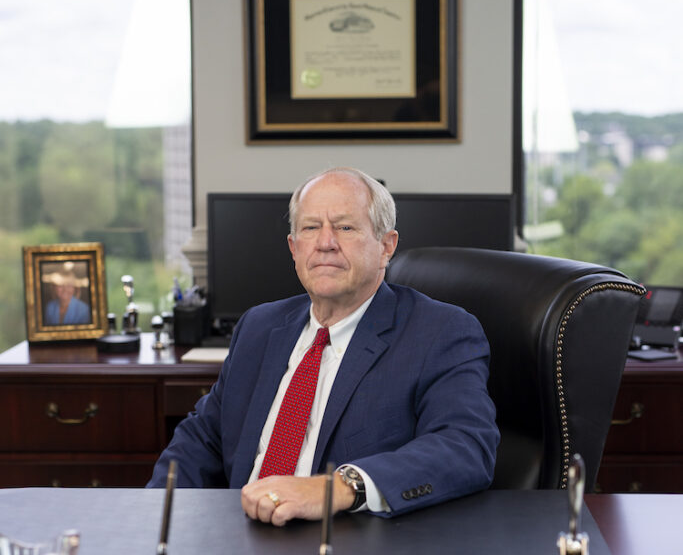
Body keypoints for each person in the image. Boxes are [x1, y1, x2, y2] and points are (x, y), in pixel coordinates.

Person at [148, 167, 499, 524]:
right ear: (294, 247)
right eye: (311, 228)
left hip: (347, 549)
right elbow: (202, 439)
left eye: (345, 228)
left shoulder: (440, 332)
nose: (325, 242)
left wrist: (336, 487)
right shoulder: (258, 326)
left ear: (386, 247)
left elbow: (465, 447)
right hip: (240, 538)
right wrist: (152, 519)